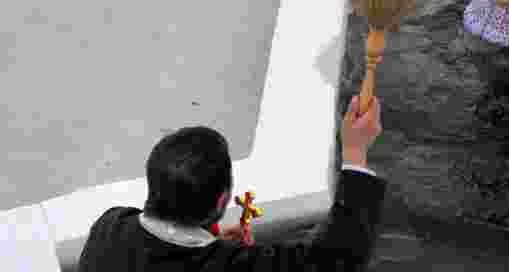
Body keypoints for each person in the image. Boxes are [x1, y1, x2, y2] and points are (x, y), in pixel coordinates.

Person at [77, 95, 384, 272]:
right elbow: (337, 260)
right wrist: (355, 152)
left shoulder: (108, 229)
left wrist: (212, 242)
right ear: (222, 201)